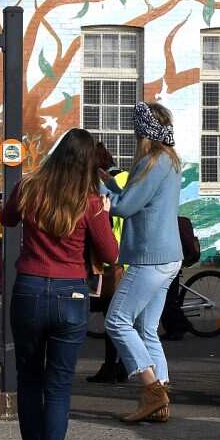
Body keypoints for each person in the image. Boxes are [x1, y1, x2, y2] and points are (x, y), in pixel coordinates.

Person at [1, 128, 118, 440]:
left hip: (30, 289)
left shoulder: (29, 188)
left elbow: (6, 220)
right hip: (71, 295)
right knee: (59, 386)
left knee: (29, 379)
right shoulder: (91, 202)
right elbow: (112, 255)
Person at [101, 102, 183, 424]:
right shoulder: (170, 160)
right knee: (147, 328)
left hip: (151, 258)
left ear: (142, 131)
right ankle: (160, 399)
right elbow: (132, 198)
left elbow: (124, 207)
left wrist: (98, 186)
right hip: (168, 258)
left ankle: (152, 391)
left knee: (117, 321)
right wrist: (108, 180)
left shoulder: (152, 161)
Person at [87, 142, 128, 384]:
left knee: (112, 318)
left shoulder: (103, 186)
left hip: (114, 261)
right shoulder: (127, 177)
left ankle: (113, 368)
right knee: (120, 318)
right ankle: (119, 366)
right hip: (129, 258)